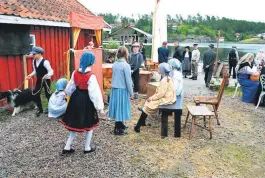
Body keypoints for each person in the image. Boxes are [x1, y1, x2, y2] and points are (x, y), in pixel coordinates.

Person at [61, 52, 104, 154]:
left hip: (75, 99)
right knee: (90, 123)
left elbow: (69, 88)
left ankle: (67, 147)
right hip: (86, 100)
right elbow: (94, 93)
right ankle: (87, 147)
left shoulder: (75, 73)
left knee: (74, 123)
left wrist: (67, 94)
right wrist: (100, 107)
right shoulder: (91, 76)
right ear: (91, 62)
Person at [134, 63, 176, 133]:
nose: (157, 70)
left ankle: (137, 126)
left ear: (162, 70)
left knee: (149, 104)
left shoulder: (164, 80)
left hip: (167, 99)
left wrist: (151, 98)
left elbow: (160, 94)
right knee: (148, 102)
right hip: (168, 97)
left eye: (159, 69)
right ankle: (142, 122)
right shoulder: (167, 77)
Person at [108, 46, 133, 135]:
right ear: (126, 54)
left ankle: (120, 124)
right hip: (122, 89)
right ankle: (117, 129)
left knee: (117, 108)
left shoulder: (115, 64)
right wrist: (131, 92)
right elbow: (128, 81)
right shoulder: (126, 66)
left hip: (115, 89)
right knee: (121, 108)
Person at [26, 46, 54, 117]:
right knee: (35, 94)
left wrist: (47, 75)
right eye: (33, 54)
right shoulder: (34, 61)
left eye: (34, 54)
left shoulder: (45, 62)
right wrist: (30, 75)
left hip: (46, 80)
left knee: (48, 94)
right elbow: (35, 71)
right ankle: (40, 109)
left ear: (40, 54)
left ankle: (52, 108)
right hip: (39, 80)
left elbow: (51, 71)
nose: (33, 55)